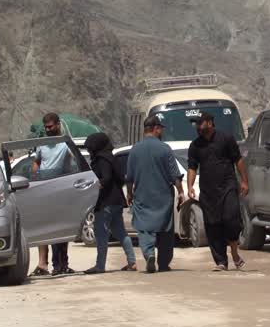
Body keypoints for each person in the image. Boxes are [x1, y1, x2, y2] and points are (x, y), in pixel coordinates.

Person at [186, 112, 250, 271]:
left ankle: (234, 253)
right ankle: (221, 261)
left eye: (200, 123)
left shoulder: (226, 138)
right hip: (208, 191)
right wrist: (190, 186)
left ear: (209, 122)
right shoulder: (195, 146)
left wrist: (244, 181)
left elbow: (238, 160)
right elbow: (192, 168)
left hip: (228, 186)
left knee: (231, 219)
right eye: (196, 124)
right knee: (213, 226)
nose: (197, 127)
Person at [125, 115, 185, 273]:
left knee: (144, 229)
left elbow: (129, 178)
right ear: (156, 129)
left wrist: (129, 194)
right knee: (165, 230)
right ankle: (164, 263)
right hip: (163, 197)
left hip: (142, 197)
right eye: (161, 129)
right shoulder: (165, 149)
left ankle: (149, 253)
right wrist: (181, 193)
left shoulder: (135, 149)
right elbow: (175, 176)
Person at [81, 132, 137, 274]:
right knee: (121, 233)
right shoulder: (111, 158)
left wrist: (94, 186)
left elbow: (106, 178)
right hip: (117, 201)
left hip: (105, 202)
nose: (89, 150)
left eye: (90, 148)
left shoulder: (102, 159)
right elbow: (119, 179)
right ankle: (132, 262)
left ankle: (100, 266)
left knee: (101, 235)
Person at [30, 113, 74, 276]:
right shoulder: (42, 145)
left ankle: (62, 264)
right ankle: (46, 265)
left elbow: (73, 161)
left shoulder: (64, 143)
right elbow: (36, 162)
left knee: (62, 229)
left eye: (51, 126)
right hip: (45, 190)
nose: (48, 130)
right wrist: (34, 178)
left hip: (62, 189)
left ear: (57, 125)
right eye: (46, 127)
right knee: (46, 228)